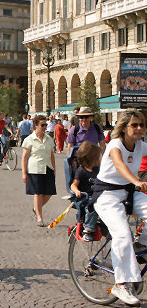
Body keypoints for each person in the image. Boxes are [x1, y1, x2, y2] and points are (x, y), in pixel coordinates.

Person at [92, 109, 147, 306]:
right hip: (107, 195)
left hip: (129, 193)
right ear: (124, 128)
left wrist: (135, 184)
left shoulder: (140, 145)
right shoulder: (115, 145)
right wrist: (136, 181)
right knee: (122, 234)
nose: (139, 128)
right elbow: (119, 164)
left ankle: (141, 246)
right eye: (135, 125)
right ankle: (121, 284)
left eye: (142, 124)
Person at [21, 115, 56, 227]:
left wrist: (54, 169)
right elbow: (25, 157)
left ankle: (36, 208)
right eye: (42, 125)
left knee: (49, 193)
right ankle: (40, 218)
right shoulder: (29, 140)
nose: (45, 127)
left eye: (46, 125)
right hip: (35, 168)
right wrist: (24, 173)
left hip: (47, 167)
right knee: (38, 193)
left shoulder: (49, 139)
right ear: (36, 125)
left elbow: (51, 155)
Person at [70, 141, 101, 242]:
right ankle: (87, 229)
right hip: (86, 196)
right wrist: (76, 191)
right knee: (93, 205)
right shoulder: (81, 171)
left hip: (98, 194)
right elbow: (73, 185)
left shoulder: (97, 170)